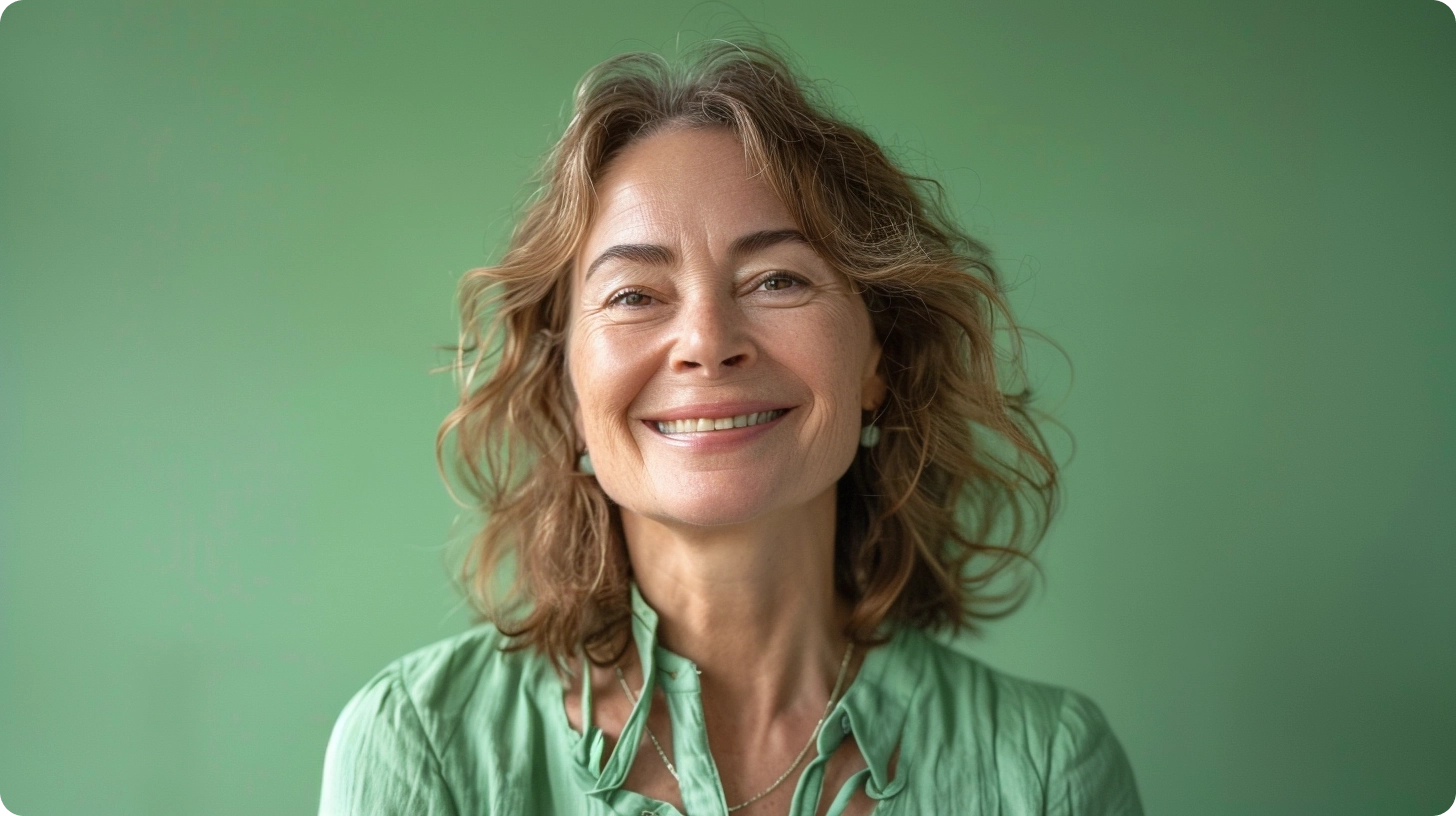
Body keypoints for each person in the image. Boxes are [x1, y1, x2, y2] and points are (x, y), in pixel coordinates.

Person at [318, 37, 1145, 816]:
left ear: (878, 361)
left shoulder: (1045, 771)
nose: (708, 343)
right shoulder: (421, 746)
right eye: (635, 296)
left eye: (778, 280)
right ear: (567, 388)